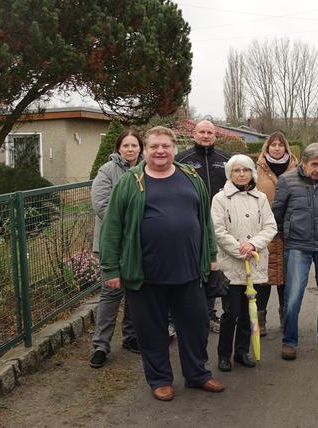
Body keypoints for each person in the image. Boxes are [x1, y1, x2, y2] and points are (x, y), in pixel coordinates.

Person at [100, 126, 224, 401]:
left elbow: (205, 221)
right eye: (154, 146)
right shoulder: (130, 182)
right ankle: (160, 379)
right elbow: (112, 226)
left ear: (174, 149)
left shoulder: (191, 177)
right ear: (145, 150)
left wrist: (211, 255)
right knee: (151, 330)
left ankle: (197, 374)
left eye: (165, 146)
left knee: (196, 325)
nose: (160, 151)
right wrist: (111, 268)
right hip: (145, 275)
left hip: (189, 270)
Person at [272, 143, 318, 360]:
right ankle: (289, 341)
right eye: (314, 164)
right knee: (293, 295)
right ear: (303, 162)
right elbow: (277, 212)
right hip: (298, 245)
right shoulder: (287, 181)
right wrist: (286, 235)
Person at [212, 154, 277, 372]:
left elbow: (270, 226)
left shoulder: (260, 198)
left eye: (246, 170)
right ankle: (224, 354)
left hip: (254, 264)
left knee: (250, 311)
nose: (242, 174)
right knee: (231, 312)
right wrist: (240, 249)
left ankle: (241, 351)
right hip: (231, 266)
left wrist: (253, 245)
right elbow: (218, 230)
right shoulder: (220, 199)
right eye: (237, 170)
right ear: (229, 173)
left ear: (252, 173)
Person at [90, 129, 143, 368]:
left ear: (140, 148)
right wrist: (128, 226)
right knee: (111, 293)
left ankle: (131, 337)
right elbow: (101, 205)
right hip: (113, 242)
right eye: (126, 146)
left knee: (135, 290)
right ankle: (101, 345)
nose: (130, 149)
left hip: (139, 242)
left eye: (134, 145)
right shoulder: (107, 171)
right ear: (118, 148)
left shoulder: (146, 170)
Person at [176, 120, 231, 334]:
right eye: (202, 132)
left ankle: (212, 315)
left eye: (210, 132)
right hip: (192, 222)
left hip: (221, 224)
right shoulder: (181, 160)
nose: (206, 136)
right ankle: (189, 315)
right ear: (194, 134)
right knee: (195, 269)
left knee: (216, 269)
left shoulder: (226, 159)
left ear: (215, 135)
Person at [254, 132, 298, 336]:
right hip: (264, 229)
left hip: (291, 228)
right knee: (264, 275)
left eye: (281, 145)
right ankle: (260, 318)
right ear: (267, 147)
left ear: (286, 147)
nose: (277, 148)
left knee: (286, 276)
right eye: (274, 145)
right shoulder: (257, 168)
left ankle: (285, 316)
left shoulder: (296, 167)